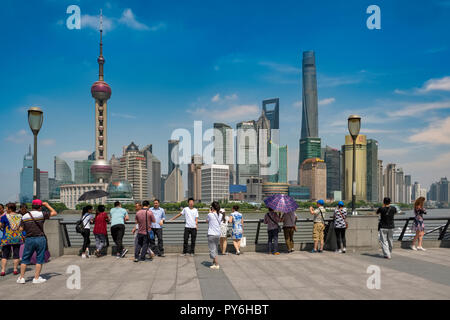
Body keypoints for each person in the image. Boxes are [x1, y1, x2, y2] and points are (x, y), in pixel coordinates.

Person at [17, 200, 57, 284]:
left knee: (25, 258)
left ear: (32, 206)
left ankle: (21, 278)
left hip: (29, 239)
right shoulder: (42, 214)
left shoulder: (25, 216)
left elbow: (20, 229)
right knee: (39, 258)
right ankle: (36, 278)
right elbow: (54, 213)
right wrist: (47, 205)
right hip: (40, 238)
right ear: (40, 206)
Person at [1, 203, 24, 276]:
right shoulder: (20, 216)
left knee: (4, 255)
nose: (5, 209)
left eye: (6, 208)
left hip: (7, 238)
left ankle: (3, 270)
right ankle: (15, 269)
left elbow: (0, 225)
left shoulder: (4, 216)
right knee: (16, 254)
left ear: (10, 209)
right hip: (17, 238)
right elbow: (22, 227)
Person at [206, 201, 222, 269]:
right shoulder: (220, 215)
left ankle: (217, 264)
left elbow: (207, 221)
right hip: (218, 234)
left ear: (212, 207)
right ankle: (214, 263)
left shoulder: (210, 214)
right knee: (215, 249)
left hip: (211, 234)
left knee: (212, 250)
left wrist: (210, 212)